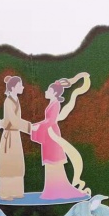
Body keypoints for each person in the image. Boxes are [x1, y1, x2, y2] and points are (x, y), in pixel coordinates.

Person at [31, 73, 91, 201]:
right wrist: (38, 125)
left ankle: (57, 189)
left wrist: (37, 125)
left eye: (48, 90)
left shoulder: (55, 104)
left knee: (54, 160)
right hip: (49, 133)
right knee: (50, 161)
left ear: (54, 92)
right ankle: (51, 190)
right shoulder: (52, 103)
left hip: (52, 134)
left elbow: (51, 120)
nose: (46, 92)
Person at [0, 75, 32, 200]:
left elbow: (11, 120)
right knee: (8, 164)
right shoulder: (8, 101)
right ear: (13, 87)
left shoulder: (15, 99)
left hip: (15, 135)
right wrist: (30, 127)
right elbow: (13, 120)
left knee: (17, 163)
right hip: (10, 136)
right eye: (20, 85)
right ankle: (5, 193)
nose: (23, 87)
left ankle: (16, 191)